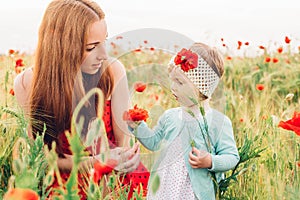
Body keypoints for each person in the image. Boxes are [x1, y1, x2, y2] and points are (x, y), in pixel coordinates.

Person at [13, 0, 149, 199]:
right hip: (67, 184)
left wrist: (125, 158)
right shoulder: (28, 82)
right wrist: (96, 162)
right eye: (92, 47)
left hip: (112, 179)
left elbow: (123, 143)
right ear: (61, 46)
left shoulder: (112, 71)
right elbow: (44, 157)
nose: (103, 54)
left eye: (104, 42)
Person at [126, 43, 240, 199]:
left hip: (193, 192)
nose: (173, 87)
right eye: (172, 81)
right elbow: (154, 142)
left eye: (180, 82)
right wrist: (138, 125)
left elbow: (232, 157)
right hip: (164, 187)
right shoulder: (170, 116)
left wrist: (210, 161)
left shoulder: (218, 122)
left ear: (203, 86)